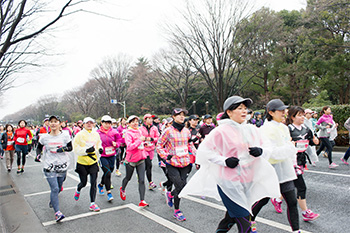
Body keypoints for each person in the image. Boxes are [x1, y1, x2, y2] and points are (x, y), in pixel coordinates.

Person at [179, 96, 280, 232]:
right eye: (239, 108)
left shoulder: (252, 129)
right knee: (245, 223)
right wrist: (224, 161)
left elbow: (268, 146)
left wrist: (261, 151)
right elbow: (203, 152)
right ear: (229, 112)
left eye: (245, 108)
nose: (244, 111)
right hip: (228, 183)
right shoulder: (220, 131)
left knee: (230, 219)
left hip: (248, 181)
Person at [252, 99, 301, 233]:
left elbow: (288, 149)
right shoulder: (266, 129)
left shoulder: (283, 127)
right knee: (263, 200)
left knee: (292, 202)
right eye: (281, 110)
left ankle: (296, 230)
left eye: (284, 110)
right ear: (271, 112)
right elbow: (272, 153)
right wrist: (291, 148)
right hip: (270, 171)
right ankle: (250, 220)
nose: (284, 113)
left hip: (285, 170)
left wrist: (294, 163)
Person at [157, 108, 197, 222]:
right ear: (173, 117)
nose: (181, 117)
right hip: (172, 163)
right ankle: (177, 211)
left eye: (183, 115)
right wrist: (165, 156)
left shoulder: (186, 131)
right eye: (179, 115)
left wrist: (197, 154)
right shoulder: (168, 131)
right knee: (179, 186)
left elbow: (190, 145)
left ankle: (171, 195)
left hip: (185, 162)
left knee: (183, 186)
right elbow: (159, 145)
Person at [36, 115, 73, 222]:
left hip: (62, 165)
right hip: (49, 166)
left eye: (55, 121)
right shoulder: (44, 137)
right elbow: (39, 148)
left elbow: (70, 148)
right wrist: (38, 155)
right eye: (51, 121)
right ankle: (57, 213)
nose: (53, 123)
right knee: (55, 188)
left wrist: (63, 149)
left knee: (60, 185)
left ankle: (53, 199)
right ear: (48, 124)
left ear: (59, 123)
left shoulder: (65, 135)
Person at [286, 106, 320, 222]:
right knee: (301, 186)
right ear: (292, 117)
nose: (302, 117)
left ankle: (277, 199)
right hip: (290, 161)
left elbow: (311, 140)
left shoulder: (306, 128)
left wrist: (314, 141)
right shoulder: (288, 129)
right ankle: (306, 212)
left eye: (303, 115)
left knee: (288, 184)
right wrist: (290, 143)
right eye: (299, 115)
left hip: (300, 160)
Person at [73, 117, 103, 212]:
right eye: (87, 123)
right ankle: (78, 189)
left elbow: (99, 144)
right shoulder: (79, 135)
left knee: (93, 182)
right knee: (84, 182)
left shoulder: (96, 134)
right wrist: (86, 151)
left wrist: (100, 150)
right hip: (82, 162)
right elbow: (75, 148)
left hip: (93, 162)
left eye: (91, 123)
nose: (89, 124)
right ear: (83, 124)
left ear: (94, 124)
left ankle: (92, 203)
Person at [119, 115, 149, 208]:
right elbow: (130, 146)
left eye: (136, 121)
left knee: (142, 180)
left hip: (141, 158)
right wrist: (140, 141)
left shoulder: (140, 131)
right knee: (128, 178)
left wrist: (144, 143)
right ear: (129, 124)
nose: (135, 123)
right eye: (133, 122)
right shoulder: (128, 133)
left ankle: (142, 200)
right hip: (131, 159)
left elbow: (140, 143)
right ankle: (122, 189)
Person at [97, 115, 121, 202]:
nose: (107, 125)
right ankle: (109, 192)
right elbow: (94, 143)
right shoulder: (97, 133)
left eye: (109, 123)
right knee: (107, 173)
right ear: (101, 123)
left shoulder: (114, 131)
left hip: (112, 154)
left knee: (110, 171)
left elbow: (119, 141)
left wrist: (117, 144)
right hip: (102, 156)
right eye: (105, 123)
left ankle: (101, 184)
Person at [140, 114, 160, 190]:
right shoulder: (141, 128)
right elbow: (140, 138)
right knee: (149, 165)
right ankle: (150, 182)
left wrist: (151, 139)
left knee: (146, 166)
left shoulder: (154, 128)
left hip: (151, 149)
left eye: (151, 118)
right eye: (149, 118)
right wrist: (145, 139)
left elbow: (158, 138)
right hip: (144, 149)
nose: (151, 120)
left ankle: (140, 174)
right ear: (145, 120)